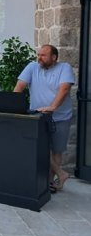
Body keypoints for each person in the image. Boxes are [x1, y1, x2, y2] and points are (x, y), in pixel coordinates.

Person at [14, 44, 75, 193]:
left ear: (54, 57)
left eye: (43, 55)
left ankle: (49, 182)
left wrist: (52, 107)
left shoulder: (64, 68)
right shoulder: (32, 67)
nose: (39, 58)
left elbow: (64, 89)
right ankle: (61, 174)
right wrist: (13, 105)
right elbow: (19, 86)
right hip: (38, 116)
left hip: (60, 117)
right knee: (38, 146)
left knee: (56, 150)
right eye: (38, 54)